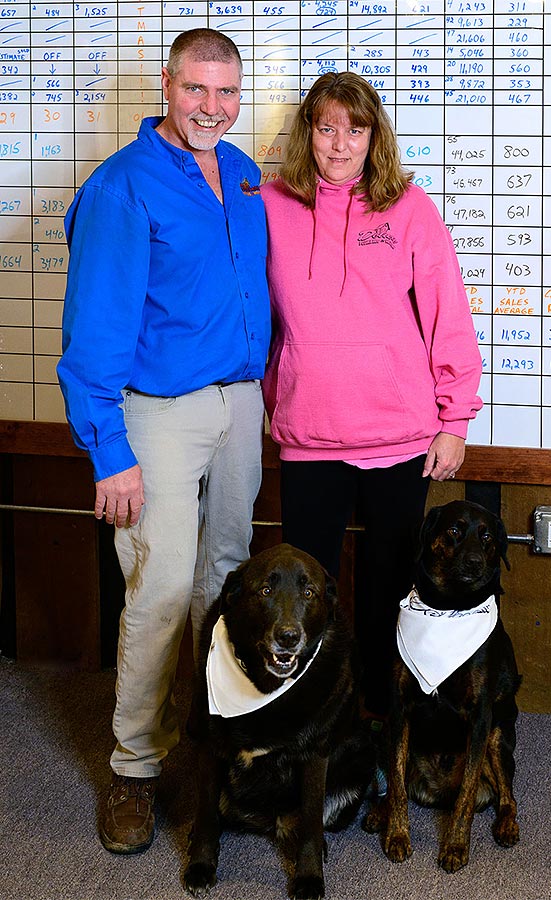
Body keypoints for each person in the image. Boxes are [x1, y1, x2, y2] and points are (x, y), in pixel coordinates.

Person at [57, 29, 270, 854]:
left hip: (239, 407)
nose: (210, 108)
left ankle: (216, 751)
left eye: (225, 93)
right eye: (196, 90)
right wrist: (108, 448)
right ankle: (134, 769)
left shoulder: (247, 177)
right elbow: (93, 331)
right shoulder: (123, 186)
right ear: (167, 85)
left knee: (224, 581)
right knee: (160, 589)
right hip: (158, 414)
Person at [260, 72, 482, 720]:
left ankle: (383, 729)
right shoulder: (268, 203)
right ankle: (312, 726)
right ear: (308, 132)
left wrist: (454, 420)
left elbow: (448, 315)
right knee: (303, 595)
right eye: (325, 127)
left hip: (401, 435)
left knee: (390, 589)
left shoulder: (407, 206)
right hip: (310, 433)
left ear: (372, 135)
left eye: (352, 129)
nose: (338, 143)